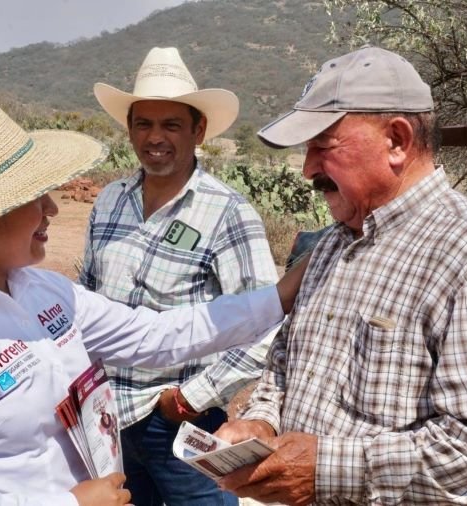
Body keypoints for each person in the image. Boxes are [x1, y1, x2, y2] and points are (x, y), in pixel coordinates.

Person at [0, 96, 306, 505]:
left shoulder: (40, 291)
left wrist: (281, 295)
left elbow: (155, 333)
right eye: (33, 197)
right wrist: (72, 503)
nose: (52, 209)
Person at [216, 46, 467, 505]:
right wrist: (262, 421)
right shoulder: (336, 240)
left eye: (323, 145)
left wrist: (328, 471)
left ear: (397, 140)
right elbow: (285, 361)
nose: (309, 167)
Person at [84, 46, 278, 506]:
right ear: (129, 129)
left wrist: (189, 398)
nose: (155, 137)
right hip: (108, 418)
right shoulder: (109, 201)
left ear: (199, 130)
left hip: (179, 423)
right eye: (143, 123)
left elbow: (267, 324)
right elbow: (86, 301)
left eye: (171, 124)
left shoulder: (228, 213)